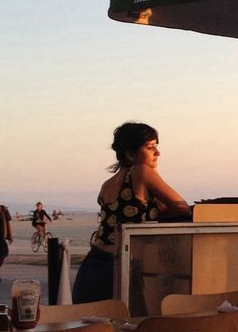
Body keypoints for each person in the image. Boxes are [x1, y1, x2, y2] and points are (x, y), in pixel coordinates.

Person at [72, 121, 191, 304]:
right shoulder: (142, 172)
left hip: (93, 266)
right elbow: (181, 207)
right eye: (151, 147)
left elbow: (133, 211)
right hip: (121, 266)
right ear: (130, 154)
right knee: (130, 327)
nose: (157, 153)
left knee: (96, 329)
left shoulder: (107, 185)